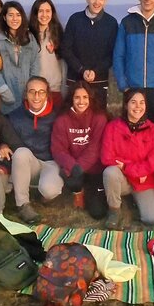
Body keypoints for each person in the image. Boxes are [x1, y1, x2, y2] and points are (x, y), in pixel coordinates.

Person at [0, 76, 62, 222]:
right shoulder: (15, 116)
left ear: (47, 94)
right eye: (32, 92)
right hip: (24, 163)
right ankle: (21, 205)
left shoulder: (57, 115)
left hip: (49, 163)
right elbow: (3, 135)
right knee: (15, 154)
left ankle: (41, 196)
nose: (36, 96)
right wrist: (2, 145)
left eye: (41, 92)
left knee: (50, 190)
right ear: (26, 94)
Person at [101, 89, 154, 229]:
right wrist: (130, 169)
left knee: (152, 219)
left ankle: (133, 201)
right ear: (125, 105)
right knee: (109, 172)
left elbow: (153, 164)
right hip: (123, 178)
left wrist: (126, 166)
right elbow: (107, 157)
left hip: (144, 180)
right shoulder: (112, 127)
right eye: (133, 102)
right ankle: (114, 210)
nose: (138, 107)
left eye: (142, 103)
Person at [51, 81, 109, 219]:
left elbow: (95, 148)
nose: (81, 101)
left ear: (90, 99)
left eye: (85, 97)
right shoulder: (62, 120)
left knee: (98, 213)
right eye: (77, 97)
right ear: (71, 99)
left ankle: (87, 191)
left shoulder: (99, 118)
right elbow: (58, 149)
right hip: (73, 168)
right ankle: (77, 191)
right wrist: (73, 166)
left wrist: (80, 167)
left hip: (94, 169)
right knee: (72, 178)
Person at [60, 0, 118, 109]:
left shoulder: (111, 23)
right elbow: (66, 49)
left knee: (98, 120)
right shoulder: (75, 19)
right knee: (73, 119)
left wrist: (95, 71)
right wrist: (82, 69)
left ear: (105, 1)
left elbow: (113, 53)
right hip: (75, 80)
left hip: (99, 82)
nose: (97, 2)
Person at [0, 1, 40, 115]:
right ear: (4, 17)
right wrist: (4, 91)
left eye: (18, 15)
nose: (14, 18)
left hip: (26, 96)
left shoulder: (29, 38)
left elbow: (35, 65)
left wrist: (31, 90)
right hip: (5, 97)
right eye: (10, 15)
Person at [29, 0, 66, 108]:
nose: (44, 15)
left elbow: (62, 60)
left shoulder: (58, 32)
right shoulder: (28, 34)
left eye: (48, 11)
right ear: (35, 13)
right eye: (40, 11)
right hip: (36, 90)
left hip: (55, 88)